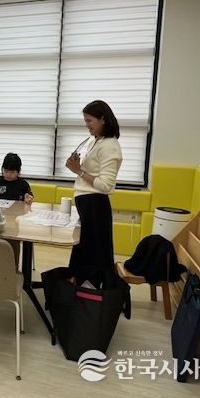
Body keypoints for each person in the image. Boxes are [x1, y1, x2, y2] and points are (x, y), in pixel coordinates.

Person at [64, 100, 123, 279]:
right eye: (85, 121)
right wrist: (77, 166)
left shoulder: (110, 146)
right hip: (87, 203)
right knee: (83, 251)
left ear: (102, 119)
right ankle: (78, 287)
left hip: (95, 205)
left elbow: (106, 185)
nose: (87, 125)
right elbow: (91, 172)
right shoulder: (95, 141)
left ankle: (93, 291)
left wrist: (79, 171)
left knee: (94, 255)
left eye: (89, 121)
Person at [0, 153, 33, 264]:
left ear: (18, 171)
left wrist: (28, 198)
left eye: (12, 172)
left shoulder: (23, 184)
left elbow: (29, 199)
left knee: (13, 242)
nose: (8, 174)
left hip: (15, 220)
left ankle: (13, 266)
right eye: (6, 171)